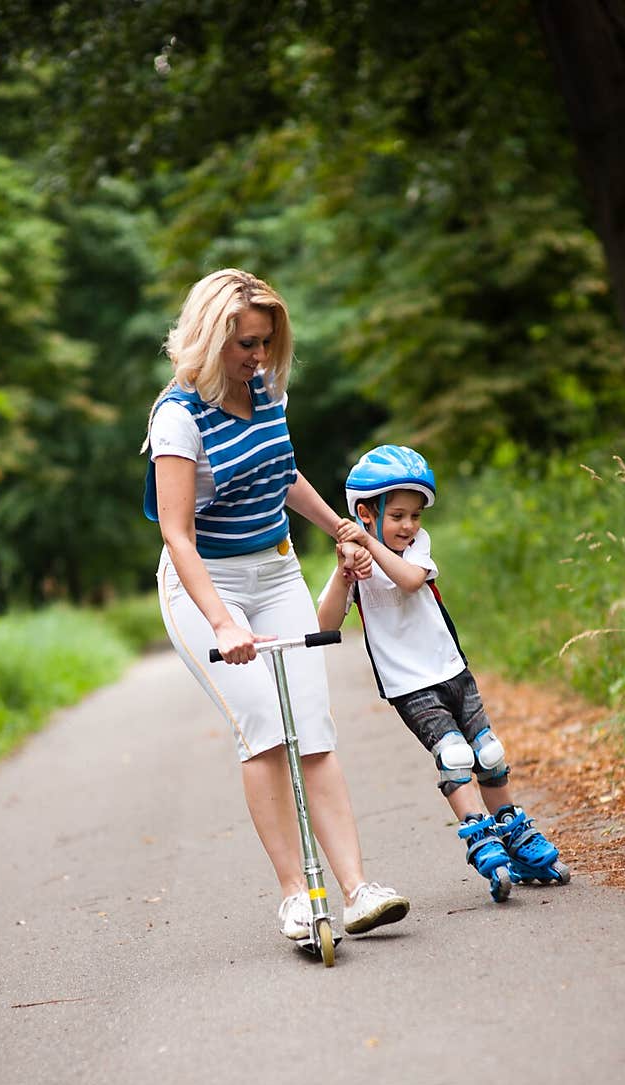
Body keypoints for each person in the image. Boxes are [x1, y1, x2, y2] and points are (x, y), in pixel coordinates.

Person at [140, 269, 410, 946]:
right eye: (244, 346)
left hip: (276, 569)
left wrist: (340, 530)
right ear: (208, 341)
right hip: (204, 584)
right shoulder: (178, 417)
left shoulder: (266, 393)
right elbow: (177, 533)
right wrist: (224, 622)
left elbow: (281, 473)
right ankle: (296, 896)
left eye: (264, 343)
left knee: (311, 725)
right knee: (263, 725)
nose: (257, 358)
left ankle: (357, 890)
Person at [318, 443, 571, 903]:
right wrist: (343, 573)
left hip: (452, 669)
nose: (409, 525)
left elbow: (411, 580)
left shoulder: (416, 548)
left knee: (489, 754)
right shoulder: (358, 563)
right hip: (409, 686)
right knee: (455, 756)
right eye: (397, 515)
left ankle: (517, 835)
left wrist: (367, 543)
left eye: (415, 515)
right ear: (365, 512)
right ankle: (482, 839)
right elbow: (324, 624)